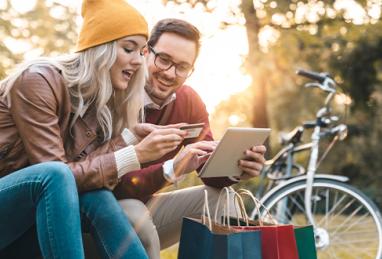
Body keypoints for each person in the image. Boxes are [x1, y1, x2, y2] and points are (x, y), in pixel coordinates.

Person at [0, 1, 186, 258]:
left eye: (142, 51)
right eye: (128, 49)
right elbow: (57, 175)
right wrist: (135, 155)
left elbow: (82, 175)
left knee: (96, 195)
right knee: (56, 176)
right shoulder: (38, 81)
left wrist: (129, 138)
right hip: (9, 215)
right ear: (100, 49)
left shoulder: (97, 100)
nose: (138, 60)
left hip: (30, 218)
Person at [113, 18, 267, 259]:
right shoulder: (115, 91)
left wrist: (237, 167)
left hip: (146, 208)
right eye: (164, 59)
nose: (170, 73)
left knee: (220, 198)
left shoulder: (189, 101)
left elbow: (209, 171)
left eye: (182, 67)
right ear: (145, 52)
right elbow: (111, 185)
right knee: (134, 212)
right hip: (99, 217)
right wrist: (171, 169)